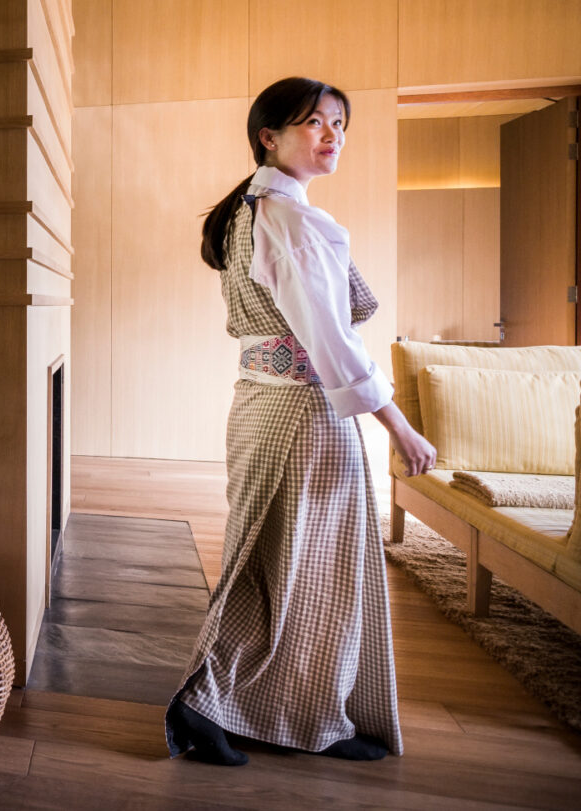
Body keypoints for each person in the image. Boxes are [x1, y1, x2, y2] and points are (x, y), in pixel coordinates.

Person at [165, 76, 437, 766]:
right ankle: (217, 703)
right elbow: (330, 338)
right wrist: (398, 427)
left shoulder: (262, 209)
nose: (333, 135)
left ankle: (278, 710)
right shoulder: (282, 215)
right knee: (311, 565)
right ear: (269, 135)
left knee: (285, 562)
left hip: (270, 404)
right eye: (315, 122)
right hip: (299, 411)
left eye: (341, 124)